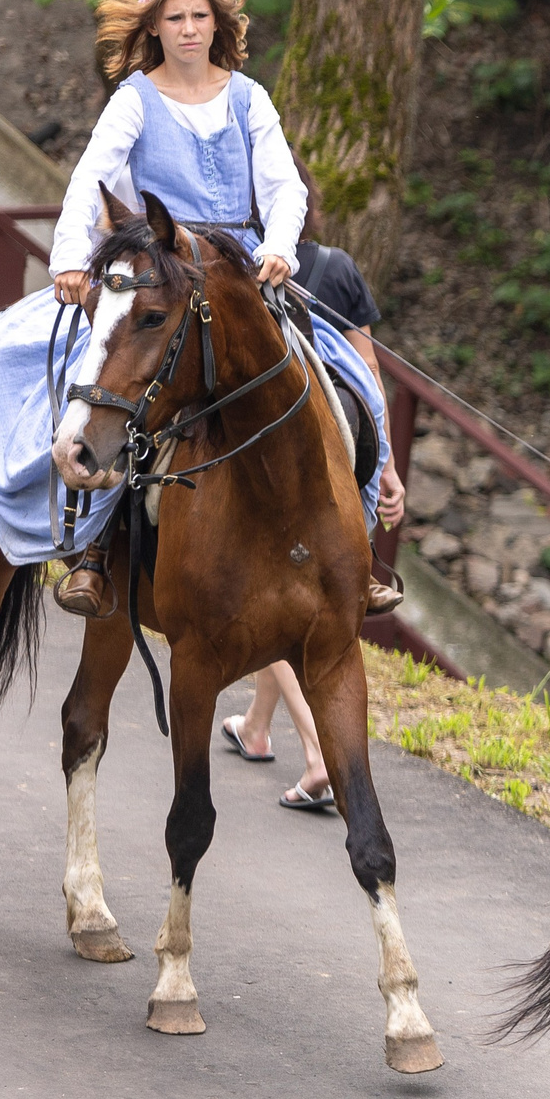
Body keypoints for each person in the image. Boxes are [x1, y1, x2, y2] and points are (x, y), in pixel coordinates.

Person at [44, 0, 402, 618]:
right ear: (153, 26)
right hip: (164, 266)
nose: (187, 29)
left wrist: (278, 247)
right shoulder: (134, 100)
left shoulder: (249, 96)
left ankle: (359, 550)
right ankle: (96, 552)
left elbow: (283, 186)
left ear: (217, 23)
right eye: (174, 17)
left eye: (198, 17)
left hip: (239, 269)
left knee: (350, 379)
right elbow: (88, 175)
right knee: (112, 383)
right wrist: (70, 255)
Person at [220, 239, 407, 813]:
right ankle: (255, 725)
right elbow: (368, 373)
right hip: (339, 453)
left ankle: (315, 750)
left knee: (274, 601)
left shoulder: (235, 260)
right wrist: (390, 467)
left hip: (272, 460)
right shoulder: (340, 268)